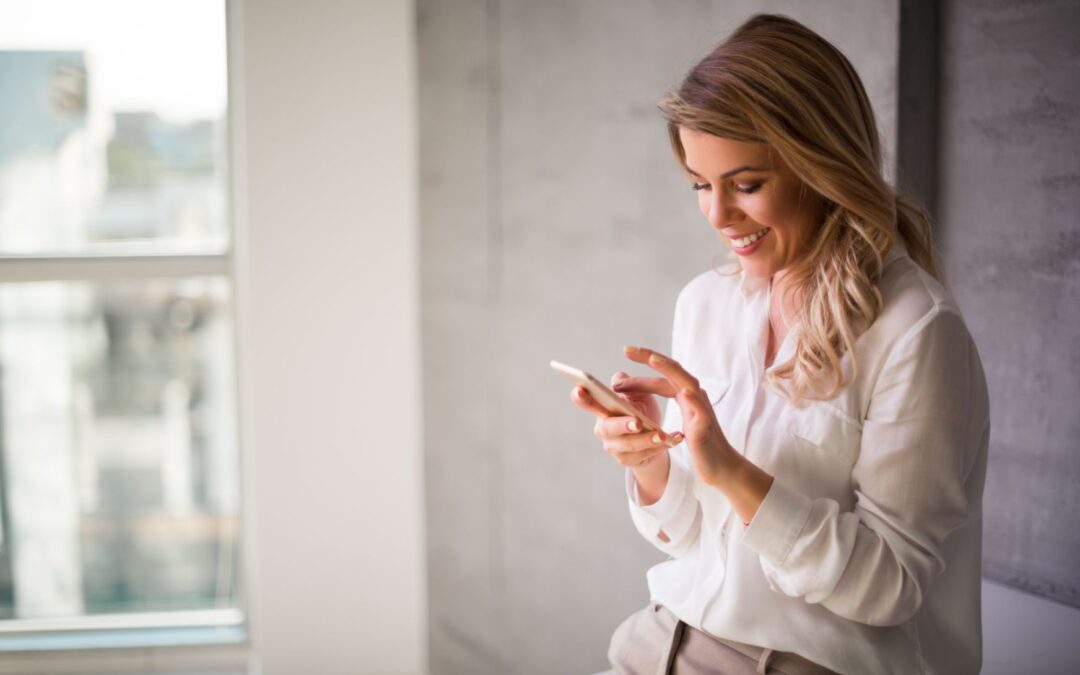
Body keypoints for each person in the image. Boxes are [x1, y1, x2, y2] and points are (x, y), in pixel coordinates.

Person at [568, 14, 989, 675]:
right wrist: (653, 462)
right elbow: (691, 538)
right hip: (658, 640)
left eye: (746, 184)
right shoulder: (704, 304)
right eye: (701, 186)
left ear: (821, 161)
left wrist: (735, 473)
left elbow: (890, 583)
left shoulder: (915, 330)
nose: (716, 215)